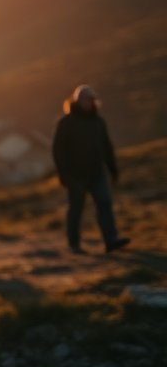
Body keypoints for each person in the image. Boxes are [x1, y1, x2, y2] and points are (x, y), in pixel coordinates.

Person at [53, 85, 130, 255]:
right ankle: (74, 244)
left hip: (97, 173)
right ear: (77, 101)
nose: (89, 103)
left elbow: (106, 146)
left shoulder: (98, 121)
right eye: (86, 100)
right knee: (76, 208)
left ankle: (111, 240)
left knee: (104, 203)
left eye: (92, 100)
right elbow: (58, 150)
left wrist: (112, 168)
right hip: (75, 175)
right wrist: (63, 174)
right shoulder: (66, 123)